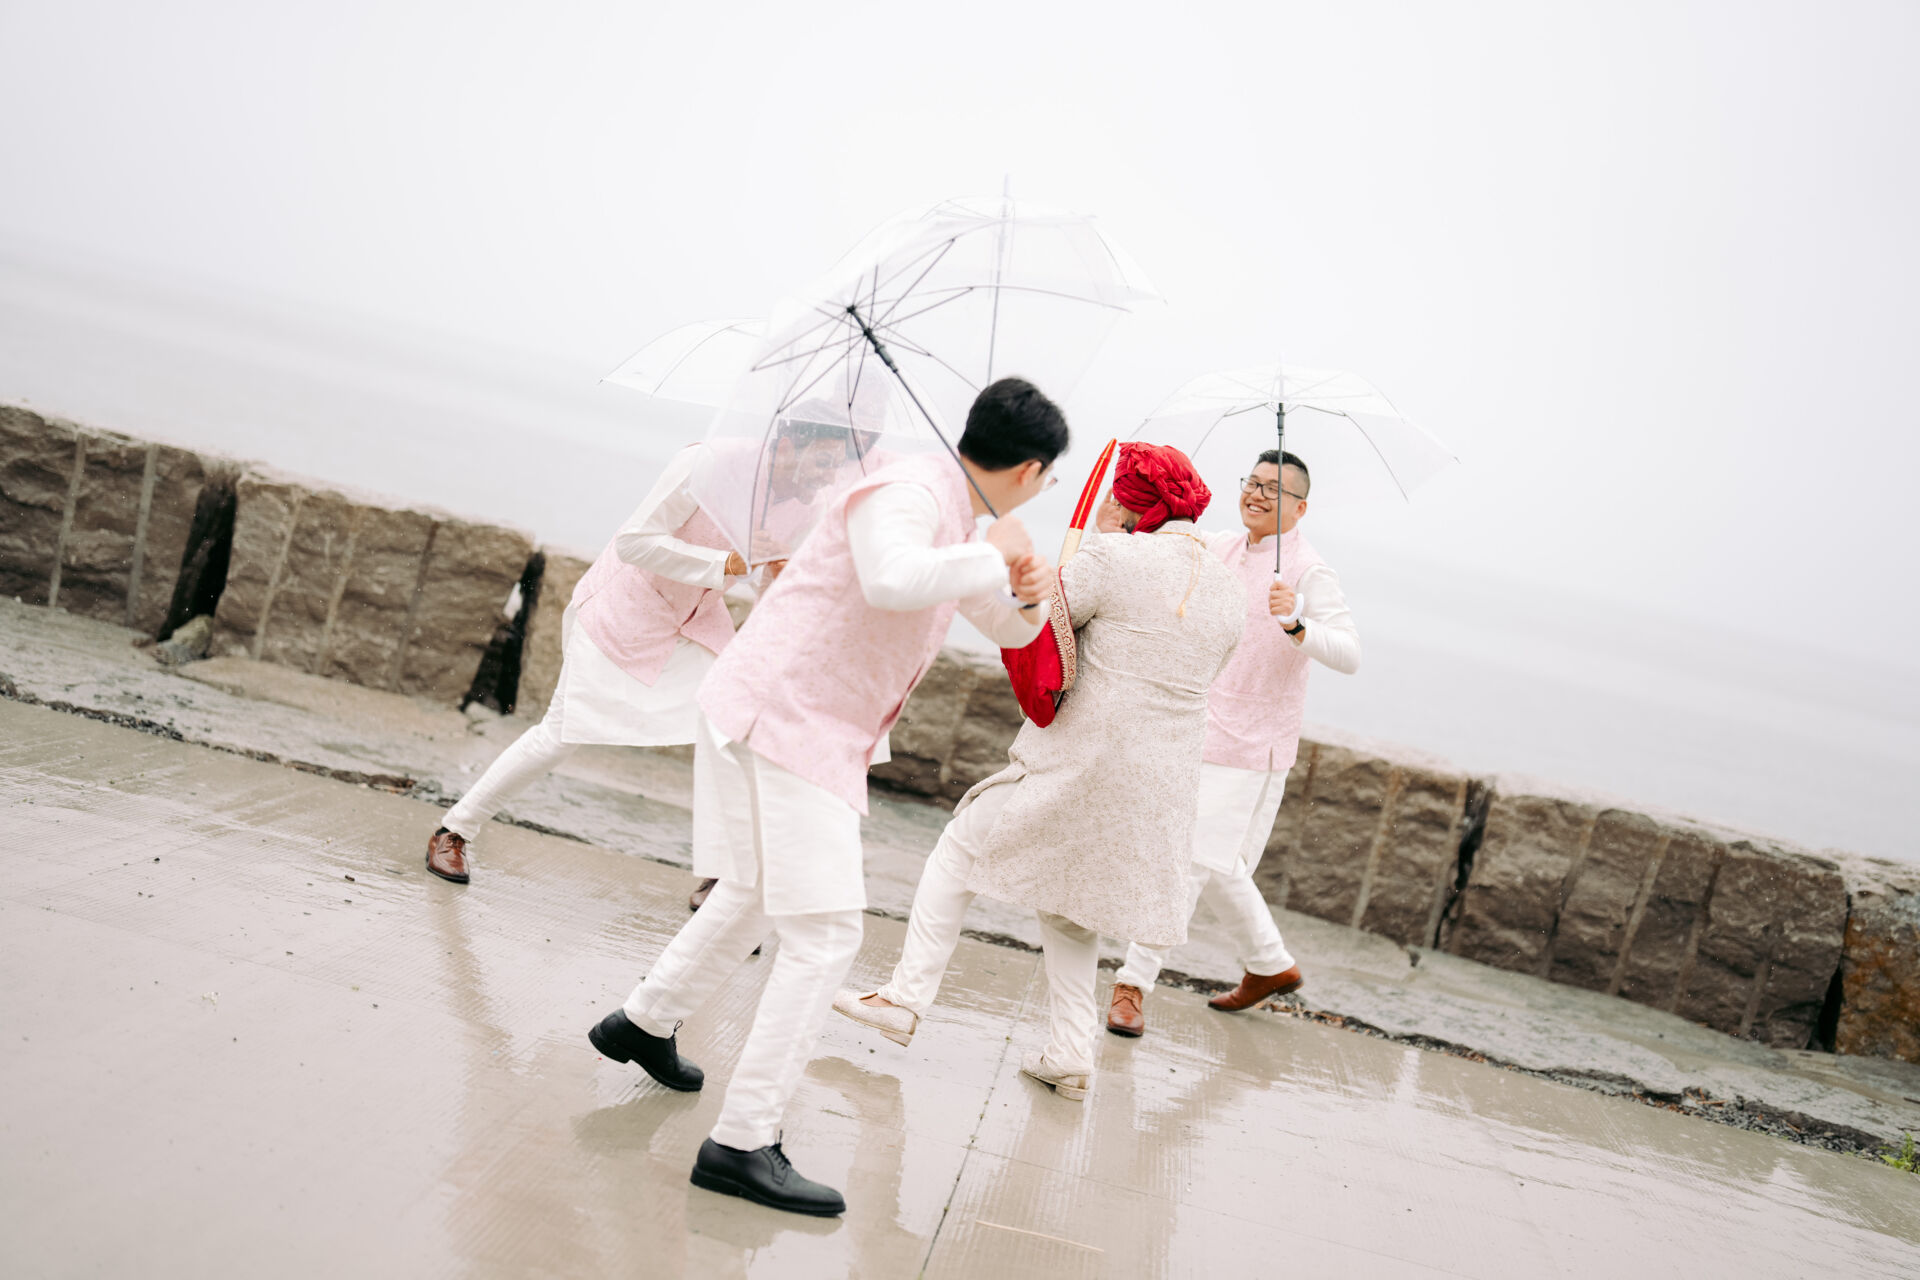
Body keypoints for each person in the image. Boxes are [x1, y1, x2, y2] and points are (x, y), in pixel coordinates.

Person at [584, 377, 1062, 1217]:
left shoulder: (952, 514)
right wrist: (996, 553)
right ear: (1029, 470)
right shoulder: (910, 492)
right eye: (1048, 479)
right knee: (828, 933)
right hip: (787, 720)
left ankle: (644, 1021)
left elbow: (1004, 625)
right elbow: (892, 578)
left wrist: (1024, 588)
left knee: (756, 891)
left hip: (796, 721)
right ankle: (742, 1142)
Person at [833, 442, 1245, 1105]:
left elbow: (1037, 622)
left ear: (1133, 503)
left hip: (1080, 763)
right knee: (1070, 909)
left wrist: (1091, 545)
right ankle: (1070, 1053)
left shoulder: (1113, 557)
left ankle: (904, 999)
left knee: (958, 850)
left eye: (1118, 496)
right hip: (1159, 784)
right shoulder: (1230, 591)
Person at [423, 420, 850, 885]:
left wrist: (782, 574)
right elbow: (634, 542)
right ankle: (454, 831)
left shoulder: (811, 505)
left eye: (837, 464)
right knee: (559, 736)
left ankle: (722, 881)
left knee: (736, 731)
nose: (829, 476)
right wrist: (725, 562)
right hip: (624, 610)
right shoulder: (705, 464)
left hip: (696, 623)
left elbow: (773, 588)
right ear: (785, 446)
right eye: (822, 461)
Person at [1105, 448, 1361, 1037]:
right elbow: (1163, 554)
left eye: (1274, 489)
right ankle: (1270, 965)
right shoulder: (1220, 546)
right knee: (1217, 861)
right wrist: (1119, 531)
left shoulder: (1310, 572)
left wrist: (1297, 623)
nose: (1257, 494)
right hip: (1195, 726)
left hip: (1251, 747)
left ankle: (1132, 985)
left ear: (1300, 507)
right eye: (1253, 482)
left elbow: (1350, 653)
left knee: (1190, 861)